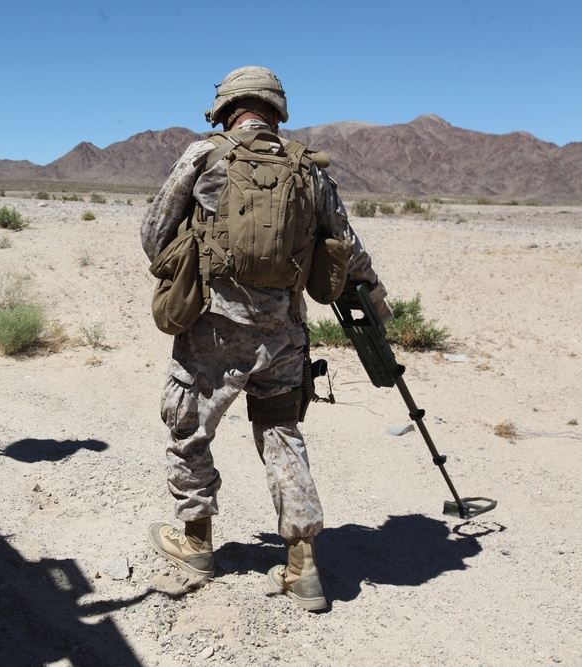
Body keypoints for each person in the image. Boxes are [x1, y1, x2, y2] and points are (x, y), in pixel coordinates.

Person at [140, 66, 391, 612]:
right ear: (277, 111)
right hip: (284, 335)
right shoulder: (309, 170)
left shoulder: (203, 156)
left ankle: (197, 544)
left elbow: (154, 233)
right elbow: (346, 245)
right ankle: (303, 566)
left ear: (227, 109)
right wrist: (375, 297)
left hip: (212, 330)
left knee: (189, 427)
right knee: (280, 432)